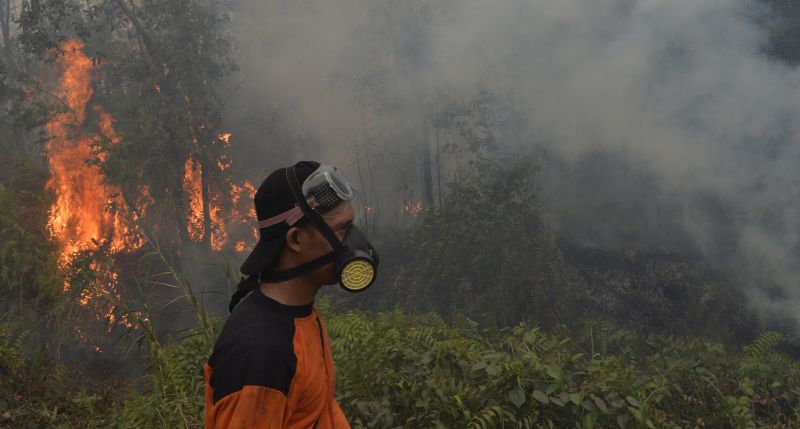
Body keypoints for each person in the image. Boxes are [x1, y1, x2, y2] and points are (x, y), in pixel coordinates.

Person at [204, 161, 379, 429]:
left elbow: (321, 413)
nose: (354, 242)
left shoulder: (302, 316)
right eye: (342, 229)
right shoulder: (261, 354)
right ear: (295, 240)